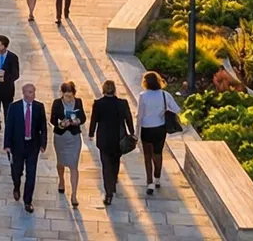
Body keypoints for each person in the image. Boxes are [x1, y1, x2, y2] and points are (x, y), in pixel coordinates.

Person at [88, 78, 135, 207]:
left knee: (106, 165)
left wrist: (91, 133)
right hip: (119, 137)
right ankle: (113, 182)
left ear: (103, 90)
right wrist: (132, 132)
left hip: (104, 138)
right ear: (114, 90)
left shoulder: (98, 104)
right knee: (115, 161)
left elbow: (94, 120)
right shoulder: (122, 103)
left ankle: (108, 192)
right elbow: (128, 118)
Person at [136, 70, 182, 195]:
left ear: (145, 82)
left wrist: (136, 132)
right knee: (158, 153)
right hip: (160, 128)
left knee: (147, 156)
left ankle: (149, 182)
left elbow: (139, 115)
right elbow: (177, 109)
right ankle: (157, 178)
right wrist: (164, 110)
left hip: (146, 128)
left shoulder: (143, 96)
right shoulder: (165, 95)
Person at [3, 83, 48, 213]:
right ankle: (16, 186)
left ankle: (28, 201)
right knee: (16, 171)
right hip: (18, 146)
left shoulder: (39, 107)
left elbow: (43, 127)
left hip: (32, 146)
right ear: (23, 93)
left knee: (31, 173)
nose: (31, 95)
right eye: (29, 92)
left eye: (33, 92)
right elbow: (9, 126)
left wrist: (43, 144)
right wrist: (7, 145)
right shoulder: (14, 107)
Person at [51, 80, 86, 206]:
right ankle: (61, 180)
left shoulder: (79, 102)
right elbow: (52, 119)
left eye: (71, 96)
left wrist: (78, 121)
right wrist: (60, 124)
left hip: (74, 137)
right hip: (61, 137)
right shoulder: (57, 103)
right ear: (63, 94)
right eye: (66, 96)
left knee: (73, 165)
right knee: (61, 162)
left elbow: (83, 117)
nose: (69, 99)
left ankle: (74, 195)